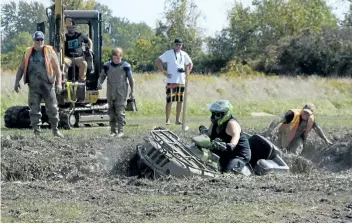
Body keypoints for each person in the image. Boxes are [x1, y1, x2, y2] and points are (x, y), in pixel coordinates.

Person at [14, 31, 64, 138]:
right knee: (34, 110)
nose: (40, 42)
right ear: (34, 41)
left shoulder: (50, 51)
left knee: (53, 108)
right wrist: (16, 81)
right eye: (37, 40)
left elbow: (57, 70)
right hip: (33, 87)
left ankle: (55, 130)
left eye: (41, 40)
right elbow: (21, 68)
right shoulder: (28, 52)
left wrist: (59, 84)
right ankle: (37, 132)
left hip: (48, 86)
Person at [198, 100, 251, 174]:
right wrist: (203, 134)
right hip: (224, 153)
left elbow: (236, 135)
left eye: (217, 114)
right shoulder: (215, 124)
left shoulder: (231, 124)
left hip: (238, 155)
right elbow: (208, 135)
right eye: (212, 113)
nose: (213, 117)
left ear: (225, 114)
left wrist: (232, 144)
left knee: (227, 173)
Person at [264, 103, 333, 155]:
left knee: (295, 153)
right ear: (302, 110)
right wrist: (269, 130)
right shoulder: (292, 114)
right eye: (304, 112)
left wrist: (325, 139)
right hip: (284, 135)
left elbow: (317, 129)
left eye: (308, 113)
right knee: (279, 151)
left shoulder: (311, 120)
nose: (305, 114)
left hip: (298, 138)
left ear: (311, 114)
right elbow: (277, 120)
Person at [97, 47, 135, 137]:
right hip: (110, 92)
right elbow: (102, 76)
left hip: (121, 92)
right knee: (111, 112)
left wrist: (132, 91)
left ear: (121, 57)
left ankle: (120, 131)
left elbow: (131, 79)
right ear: (112, 57)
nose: (116, 60)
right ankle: (112, 131)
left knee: (120, 112)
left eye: (118, 58)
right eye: (114, 58)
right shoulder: (107, 66)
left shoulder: (125, 66)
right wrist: (99, 83)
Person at [156, 38, 193, 125]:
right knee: (170, 100)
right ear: (174, 44)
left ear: (182, 45)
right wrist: (163, 71)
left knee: (180, 101)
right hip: (171, 80)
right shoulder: (168, 53)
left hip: (181, 81)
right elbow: (158, 61)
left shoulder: (184, 54)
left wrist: (187, 73)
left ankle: (177, 119)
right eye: (177, 44)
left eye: (180, 45)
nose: (178, 46)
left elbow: (190, 64)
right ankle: (167, 119)